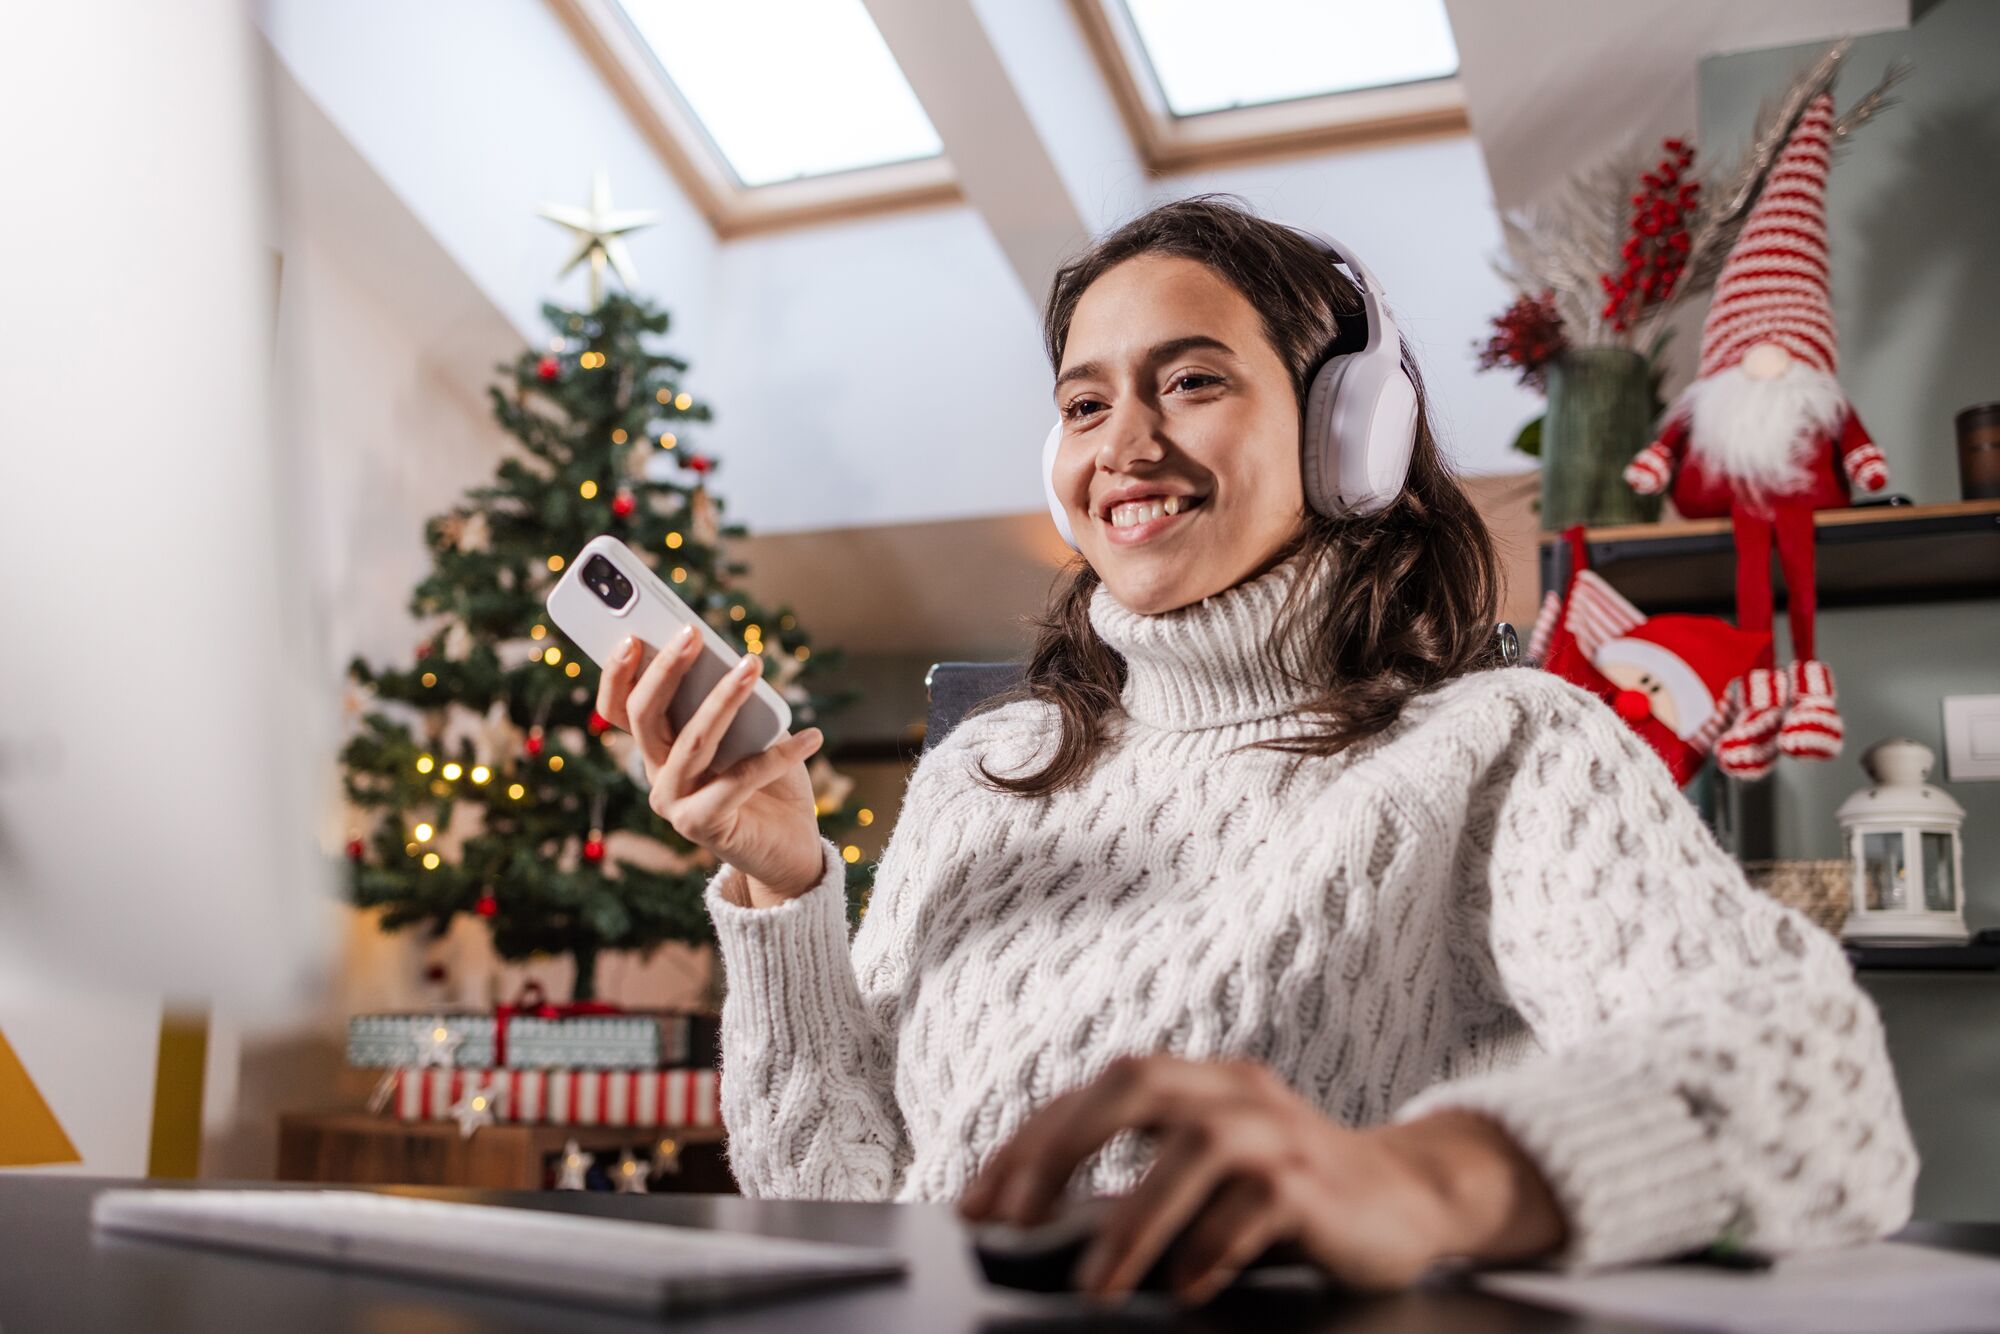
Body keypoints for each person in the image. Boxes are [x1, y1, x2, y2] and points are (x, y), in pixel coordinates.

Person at [593, 196, 1916, 1306]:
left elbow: (1816, 1088)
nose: (1125, 445)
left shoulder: (1506, 748)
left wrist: (1422, 1180)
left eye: (1191, 380)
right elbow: (839, 1201)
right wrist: (782, 889)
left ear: (1352, 434)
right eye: (1085, 402)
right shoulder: (979, 778)